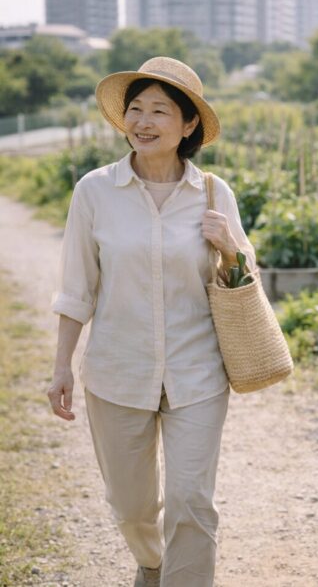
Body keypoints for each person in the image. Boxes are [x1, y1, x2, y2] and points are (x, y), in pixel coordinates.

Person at [46, 57, 254, 587]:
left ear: (188, 125)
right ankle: (152, 563)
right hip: (117, 370)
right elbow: (77, 289)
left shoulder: (214, 194)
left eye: (160, 110)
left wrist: (229, 247)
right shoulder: (94, 192)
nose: (144, 120)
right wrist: (61, 367)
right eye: (136, 109)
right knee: (132, 506)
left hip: (198, 373)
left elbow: (246, 279)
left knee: (191, 501)